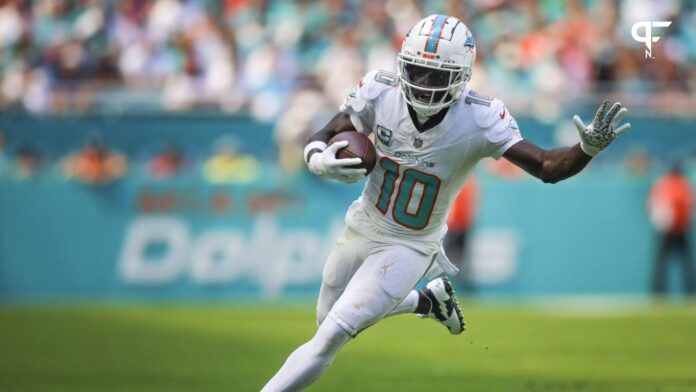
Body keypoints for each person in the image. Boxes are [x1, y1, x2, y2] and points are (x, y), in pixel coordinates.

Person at [261, 15, 631, 391]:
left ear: (461, 76)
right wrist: (318, 159)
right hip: (363, 223)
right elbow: (325, 132)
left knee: (331, 337)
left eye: (435, 76)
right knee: (326, 321)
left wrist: (586, 149)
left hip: (411, 245)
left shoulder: (480, 117)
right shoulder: (379, 91)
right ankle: (426, 302)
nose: (422, 85)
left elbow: (547, 167)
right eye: (416, 71)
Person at [648, 163, 695, 294]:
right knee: (681, 262)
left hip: (672, 229)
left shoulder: (665, 184)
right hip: (676, 229)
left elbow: (653, 205)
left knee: (665, 262)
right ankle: (686, 292)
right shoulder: (681, 185)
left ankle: (659, 292)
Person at [445, 177, 478, 292]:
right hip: (457, 226)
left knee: (455, 257)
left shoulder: (463, 184)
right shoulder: (467, 185)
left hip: (458, 226)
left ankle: (454, 285)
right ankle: (450, 284)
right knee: (454, 257)